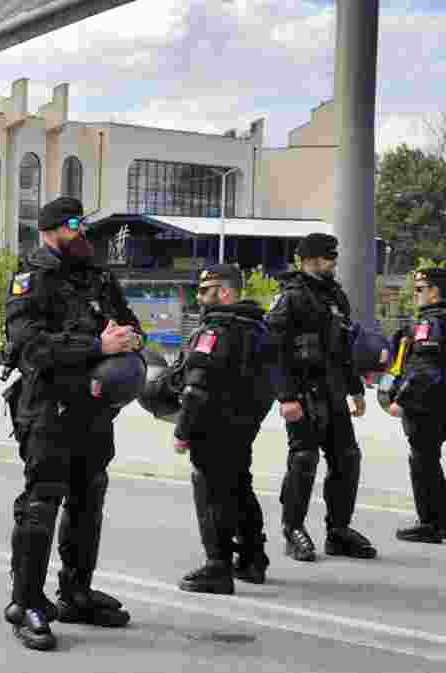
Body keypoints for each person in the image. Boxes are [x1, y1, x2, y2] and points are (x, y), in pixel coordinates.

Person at [1, 196, 143, 651]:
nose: (81, 235)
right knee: (42, 502)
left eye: (83, 227)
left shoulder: (99, 277)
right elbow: (31, 348)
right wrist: (98, 346)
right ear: (48, 232)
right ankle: (26, 603)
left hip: (95, 408)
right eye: (72, 227)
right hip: (47, 407)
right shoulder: (32, 279)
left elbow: (130, 324)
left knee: (89, 498)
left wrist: (131, 338)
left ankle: (76, 592)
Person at [266, 232, 376, 562]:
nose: (334, 263)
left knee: (347, 458)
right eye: (329, 257)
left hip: (334, 393)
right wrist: (286, 396)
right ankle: (293, 529)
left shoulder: (334, 296)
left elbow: (343, 350)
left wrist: (355, 388)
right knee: (304, 460)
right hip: (303, 392)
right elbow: (273, 351)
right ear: (312, 259)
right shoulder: (291, 298)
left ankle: (338, 530)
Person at [173, 265, 275, 593]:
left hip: (213, 422)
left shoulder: (215, 330)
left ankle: (217, 565)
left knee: (210, 489)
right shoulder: (257, 327)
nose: (200, 298)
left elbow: (196, 386)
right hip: (245, 423)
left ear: (226, 293)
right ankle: (252, 558)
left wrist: (182, 430)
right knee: (239, 486)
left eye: (206, 291)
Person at [383, 268, 446, 544]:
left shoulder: (430, 323)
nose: (416, 294)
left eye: (420, 289)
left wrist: (401, 400)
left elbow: (424, 369)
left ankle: (431, 523)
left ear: (435, 291)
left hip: (428, 404)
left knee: (423, 462)